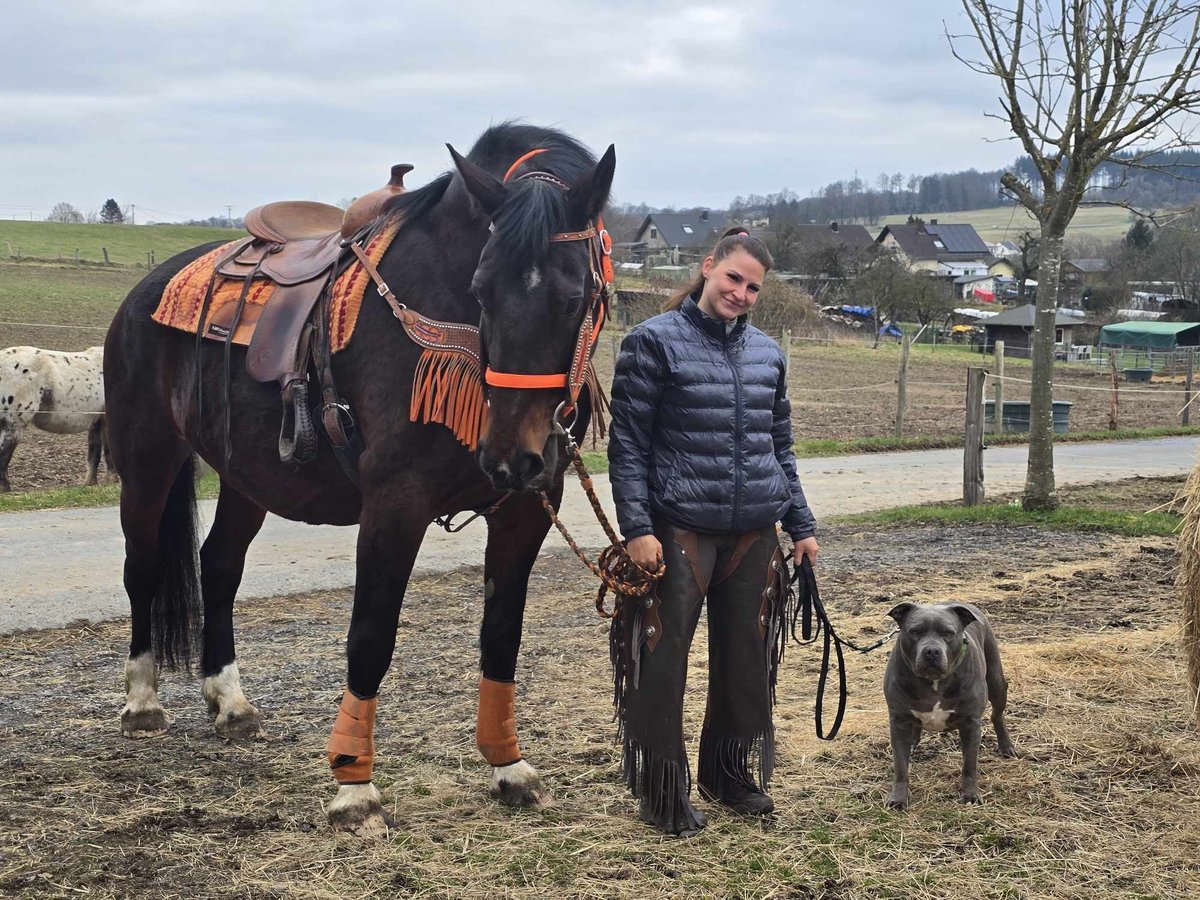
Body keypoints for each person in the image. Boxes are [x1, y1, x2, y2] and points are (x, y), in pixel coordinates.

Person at [607, 226, 819, 836]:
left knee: (747, 660)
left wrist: (799, 524)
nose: (742, 293)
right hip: (679, 531)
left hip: (754, 532)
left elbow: (779, 446)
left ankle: (727, 773)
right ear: (707, 268)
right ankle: (662, 790)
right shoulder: (652, 343)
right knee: (662, 660)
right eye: (734, 278)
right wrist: (637, 527)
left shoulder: (767, 354)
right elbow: (627, 445)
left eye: (753, 286)